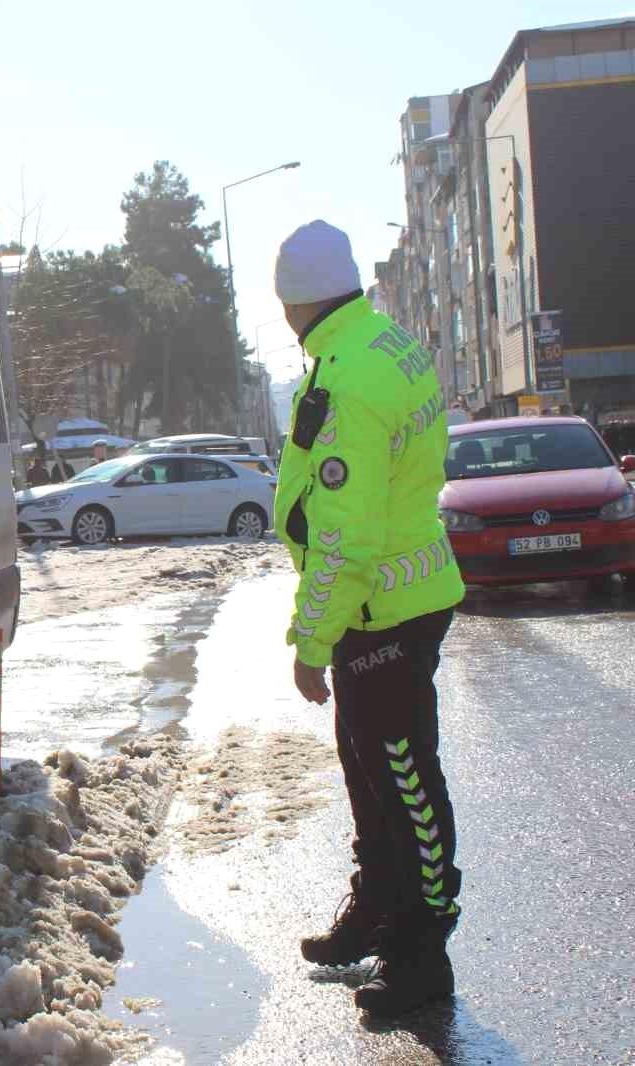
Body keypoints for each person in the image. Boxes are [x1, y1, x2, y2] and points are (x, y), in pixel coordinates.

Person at [271, 221, 466, 1018]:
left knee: (404, 780)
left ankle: (423, 952)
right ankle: (378, 910)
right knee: (371, 768)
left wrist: (311, 643)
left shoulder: (346, 378)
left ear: (292, 305)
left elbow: (345, 539)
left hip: (377, 607)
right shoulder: (385, 341)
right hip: (398, 595)